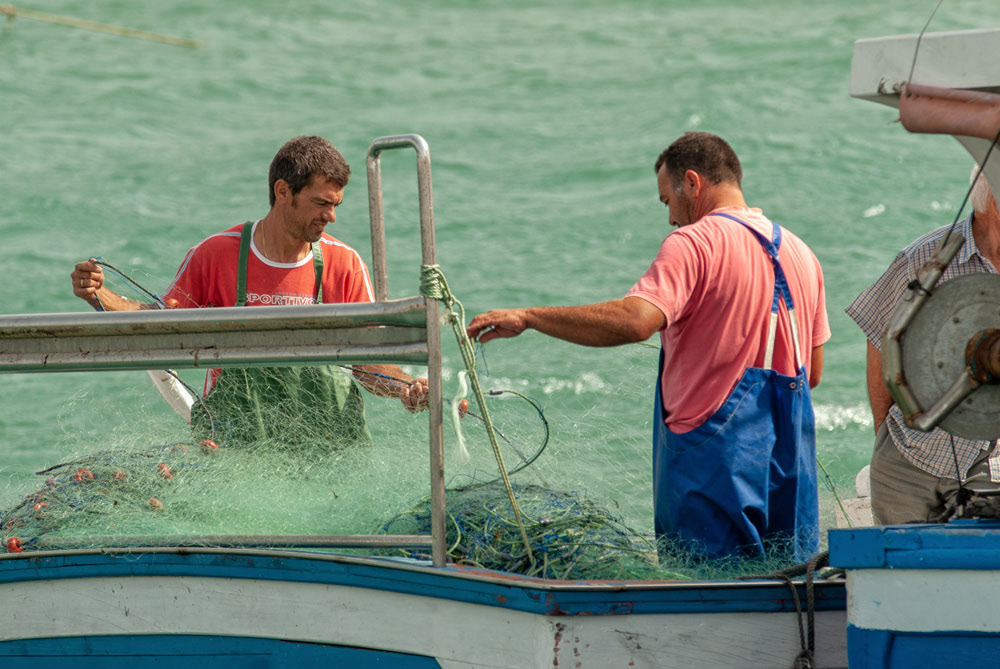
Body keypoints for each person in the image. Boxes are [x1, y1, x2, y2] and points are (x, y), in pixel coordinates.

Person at [467, 132, 830, 562]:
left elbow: (636, 321)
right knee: (790, 582)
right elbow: (813, 372)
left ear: (692, 183)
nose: (672, 218)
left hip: (713, 463)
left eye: (667, 201)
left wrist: (530, 317)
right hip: (792, 456)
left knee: (705, 588)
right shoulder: (802, 253)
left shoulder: (693, 243)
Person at [71, 135, 427, 449]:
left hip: (329, 450)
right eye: (321, 204)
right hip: (236, 447)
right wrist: (100, 296)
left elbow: (368, 361)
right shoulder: (215, 254)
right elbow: (159, 325)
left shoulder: (344, 263)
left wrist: (407, 387)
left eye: (336, 205)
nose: (331, 216)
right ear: (283, 191)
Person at [846, 167, 1000, 524]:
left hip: (992, 467)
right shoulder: (926, 257)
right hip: (909, 463)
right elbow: (880, 337)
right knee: (901, 557)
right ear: (991, 199)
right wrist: (884, 429)